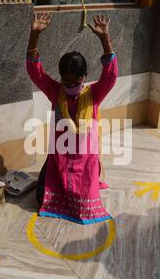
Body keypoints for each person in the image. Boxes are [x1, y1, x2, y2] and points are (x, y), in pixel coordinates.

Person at [26, 13, 118, 224]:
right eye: (66, 80)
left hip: (85, 161)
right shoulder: (55, 91)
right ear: (60, 77)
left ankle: (92, 179)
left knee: (81, 202)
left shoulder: (94, 94)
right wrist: (34, 35)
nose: (70, 85)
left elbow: (111, 75)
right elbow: (35, 71)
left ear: (84, 77)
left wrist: (105, 39)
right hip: (59, 158)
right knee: (41, 199)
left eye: (75, 80)